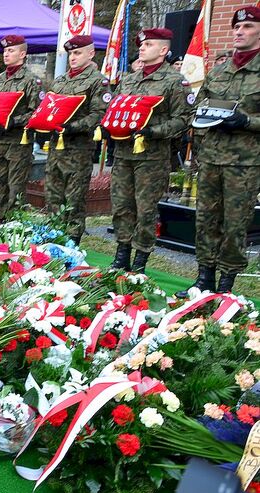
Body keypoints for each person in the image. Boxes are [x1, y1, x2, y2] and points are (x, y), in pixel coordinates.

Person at [179, 7, 260, 296]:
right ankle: (204, 280)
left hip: (244, 163)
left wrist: (247, 121)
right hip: (212, 158)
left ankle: (226, 286)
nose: (240, 31)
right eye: (237, 27)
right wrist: (200, 142)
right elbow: (199, 107)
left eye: (248, 26)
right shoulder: (220, 70)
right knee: (205, 220)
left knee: (234, 225)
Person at [109, 28, 194, 273]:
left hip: (152, 157)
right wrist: (108, 126)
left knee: (145, 209)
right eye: (141, 44)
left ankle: (140, 261)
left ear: (163, 50)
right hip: (124, 152)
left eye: (148, 44)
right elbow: (116, 108)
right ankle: (121, 255)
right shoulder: (129, 78)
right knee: (122, 206)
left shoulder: (175, 81)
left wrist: (153, 131)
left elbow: (184, 118)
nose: (142, 48)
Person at [43, 35, 111, 244]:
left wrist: (72, 127)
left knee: (73, 200)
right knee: (53, 196)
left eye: (78, 52)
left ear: (91, 53)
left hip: (78, 150)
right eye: (71, 53)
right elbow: (49, 108)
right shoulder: (61, 80)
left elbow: (99, 114)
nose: (73, 57)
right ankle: (53, 241)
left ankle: (72, 244)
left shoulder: (97, 81)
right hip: (56, 148)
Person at [0, 34, 43, 222]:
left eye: (11, 50)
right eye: (5, 50)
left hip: (18, 141)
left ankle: (13, 224)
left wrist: (14, 121)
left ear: (22, 54)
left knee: (15, 186)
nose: (6, 54)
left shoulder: (31, 80)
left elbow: (36, 112)